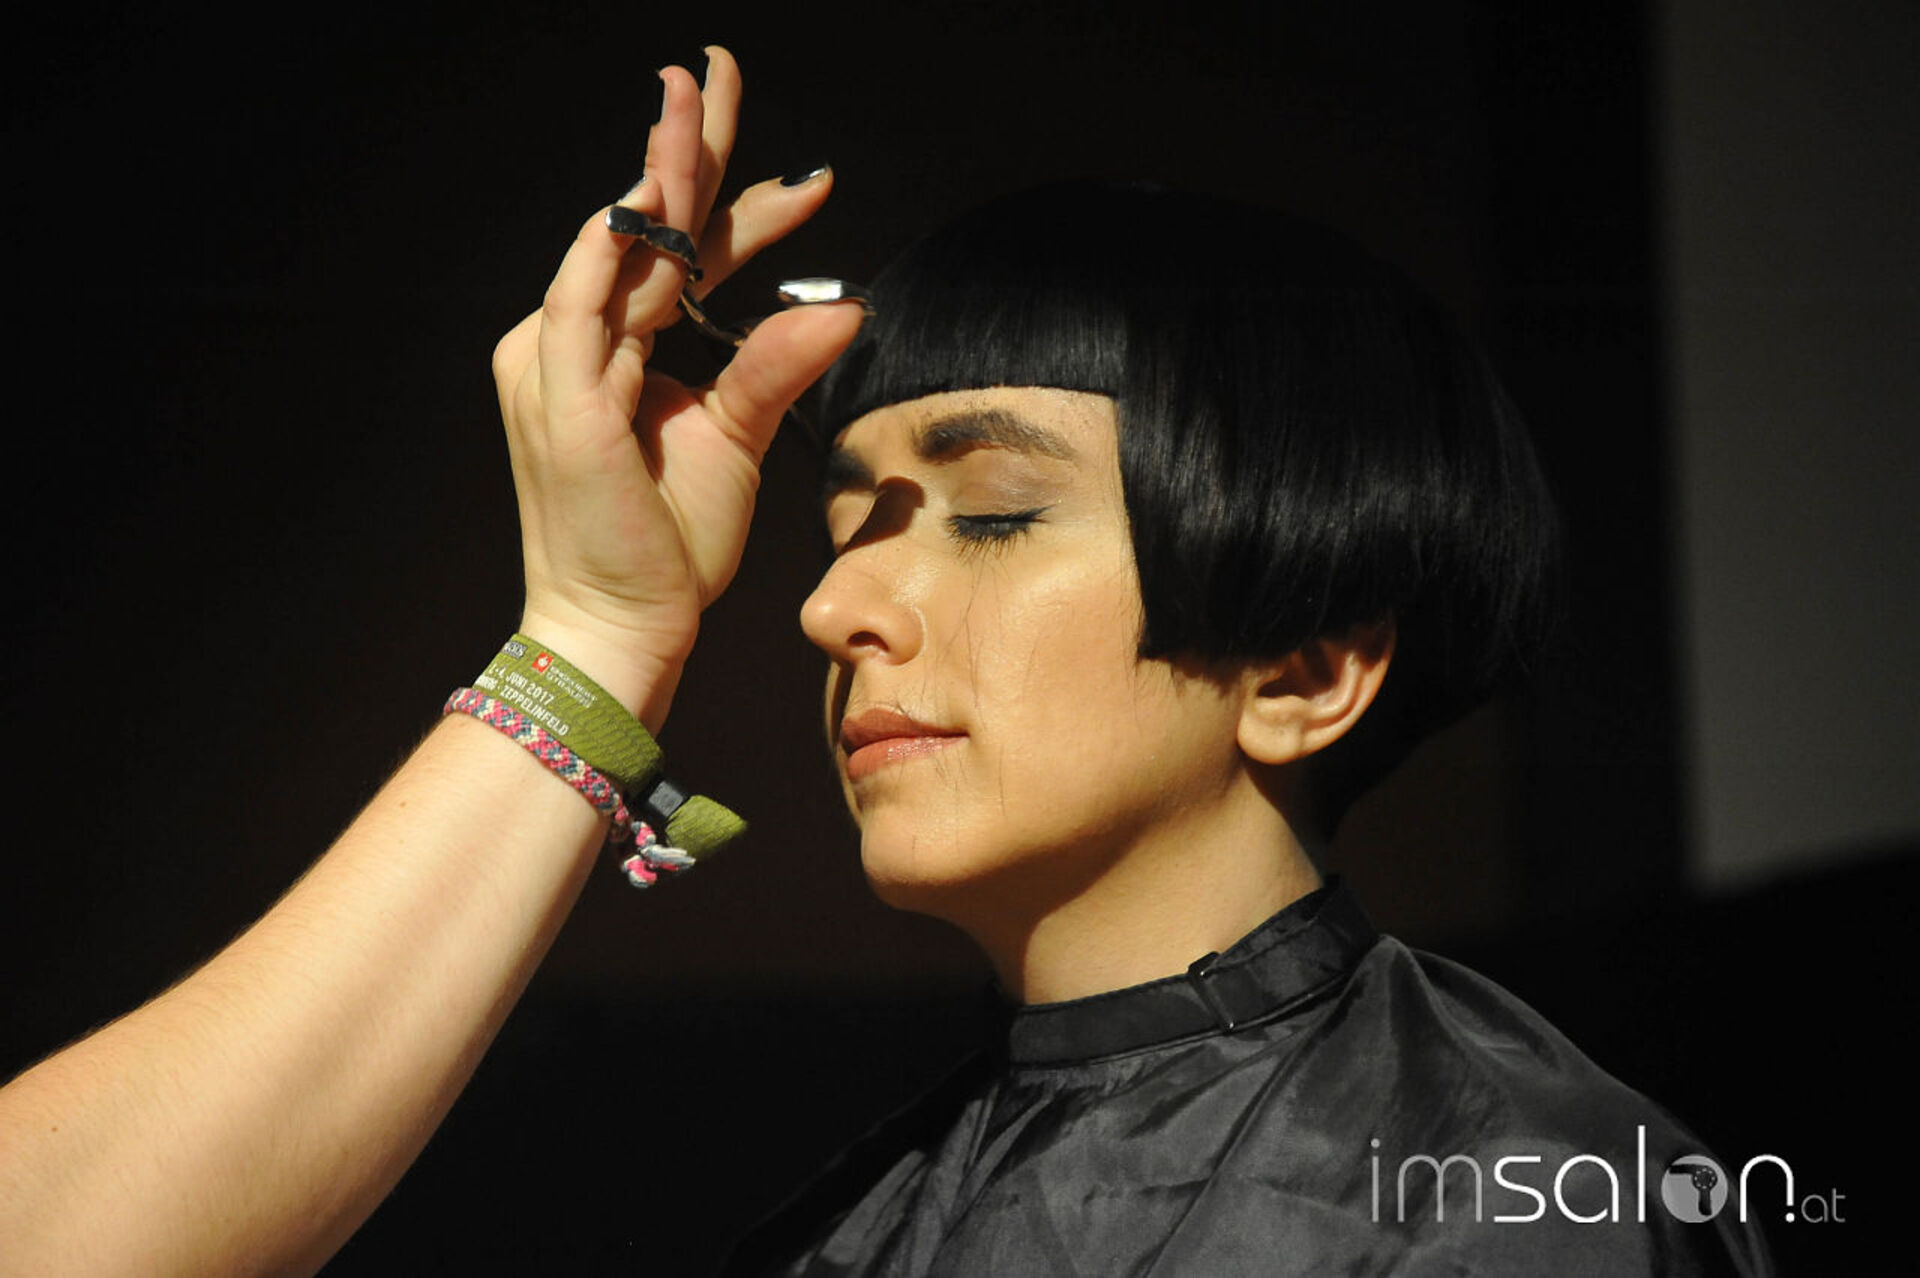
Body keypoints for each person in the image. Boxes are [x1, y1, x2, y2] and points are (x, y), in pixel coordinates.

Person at [0, 48, 1768, 1275]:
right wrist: (592, 631)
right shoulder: (856, 1212)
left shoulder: (1520, 1201)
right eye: (849, 526)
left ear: (1304, 666)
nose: (833, 608)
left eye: (993, 515)